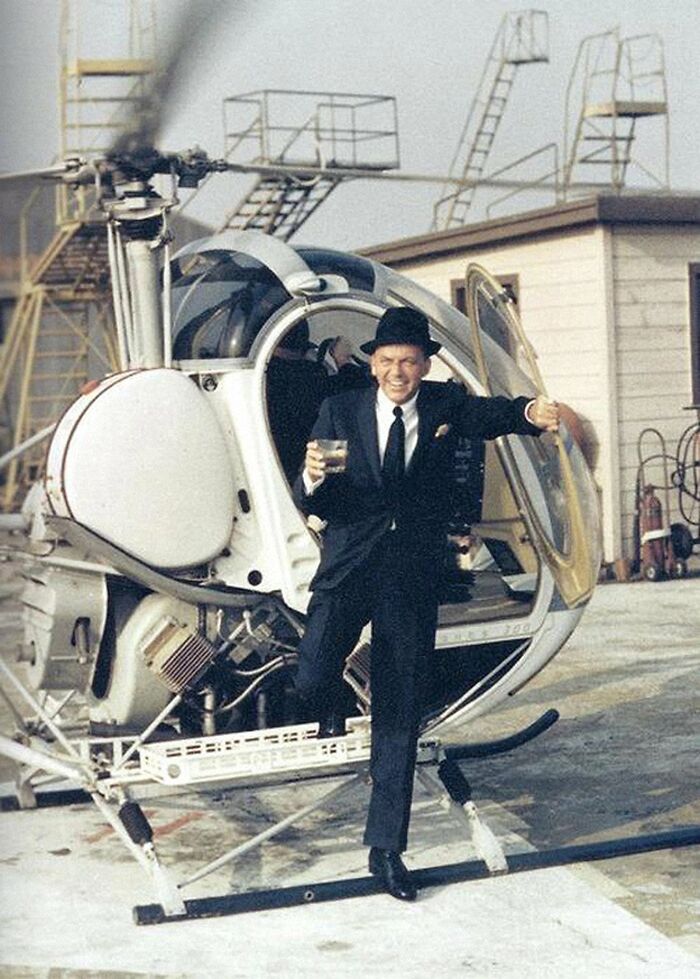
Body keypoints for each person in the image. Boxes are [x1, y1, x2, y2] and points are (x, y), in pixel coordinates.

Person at [293, 306, 559, 902]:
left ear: (424, 365)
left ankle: (386, 850)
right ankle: (335, 701)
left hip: (409, 576)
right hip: (349, 566)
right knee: (310, 678)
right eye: (388, 361)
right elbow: (319, 494)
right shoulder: (341, 410)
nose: (398, 372)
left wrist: (529, 413)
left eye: (409, 362)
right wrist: (311, 479)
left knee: (398, 712)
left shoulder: (443, 405)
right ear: (373, 364)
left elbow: (492, 415)